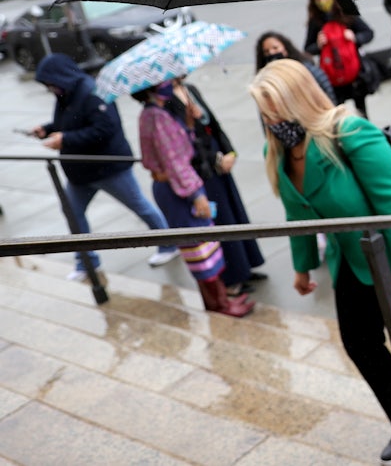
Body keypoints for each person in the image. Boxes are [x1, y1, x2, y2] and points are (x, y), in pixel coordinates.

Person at [248, 59, 391, 465]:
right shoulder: (282, 149)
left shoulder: (349, 131)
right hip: (350, 263)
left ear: (297, 98)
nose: (270, 118)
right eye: (263, 110)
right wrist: (303, 267)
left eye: (274, 107)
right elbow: (298, 213)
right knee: (360, 344)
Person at [32, 53, 179, 280]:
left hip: (109, 168)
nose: (50, 89)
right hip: (80, 174)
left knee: (139, 205)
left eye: (51, 84)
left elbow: (104, 129)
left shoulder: (92, 92)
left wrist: (65, 139)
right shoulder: (66, 95)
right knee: (72, 212)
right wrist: (49, 129)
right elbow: (70, 122)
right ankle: (87, 262)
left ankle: (169, 243)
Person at [134, 80, 254, 318]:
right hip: (178, 188)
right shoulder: (157, 117)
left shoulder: (154, 114)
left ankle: (220, 300)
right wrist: (196, 194)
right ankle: (220, 305)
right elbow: (176, 163)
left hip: (174, 185)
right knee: (200, 250)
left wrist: (189, 124)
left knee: (204, 247)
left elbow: (179, 149)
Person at [168, 77, 268, 296]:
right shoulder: (166, 103)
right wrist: (193, 128)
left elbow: (214, 124)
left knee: (235, 211)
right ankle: (233, 277)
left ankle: (247, 265)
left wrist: (230, 152)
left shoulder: (189, 89)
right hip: (202, 165)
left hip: (217, 156)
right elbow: (183, 144)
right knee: (222, 218)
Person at [305, 0, 375, 115]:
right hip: (332, 75)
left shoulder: (347, 13)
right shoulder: (316, 20)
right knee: (337, 113)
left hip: (354, 73)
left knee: (361, 111)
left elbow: (368, 33)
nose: (322, 0)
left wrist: (355, 37)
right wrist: (318, 45)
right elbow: (307, 48)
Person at [255, 31, 337, 104]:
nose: (271, 53)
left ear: (285, 48)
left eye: (275, 48)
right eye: (266, 51)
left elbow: (325, 89)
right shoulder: (267, 78)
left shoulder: (304, 68)